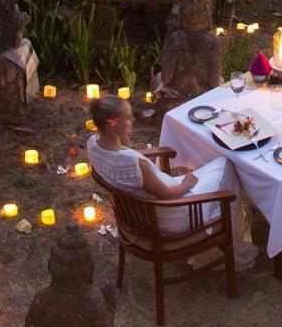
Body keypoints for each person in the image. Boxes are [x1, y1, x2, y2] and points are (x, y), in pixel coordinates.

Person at [85, 96, 259, 269]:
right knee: (226, 164)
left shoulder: (94, 145)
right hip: (174, 215)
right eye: (127, 117)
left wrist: (122, 137)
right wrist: (187, 184)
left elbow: (123, 161)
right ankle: (236, 253)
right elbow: (168, 195)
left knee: (217, 167)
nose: (132, 119)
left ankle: (230, 245)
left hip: (144, 216)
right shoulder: (134, 164)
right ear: (112, 122)